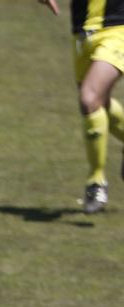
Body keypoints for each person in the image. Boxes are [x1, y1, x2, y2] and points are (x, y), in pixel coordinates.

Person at [38, 0, 124, 212]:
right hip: (82, 32)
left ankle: (96, 182)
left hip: (118, 30)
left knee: (89, 98)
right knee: (98, 103)